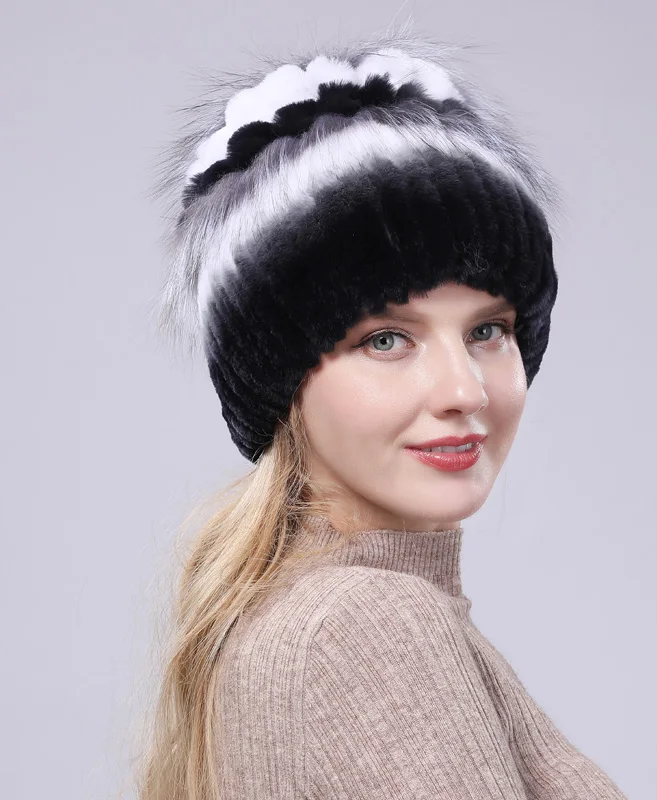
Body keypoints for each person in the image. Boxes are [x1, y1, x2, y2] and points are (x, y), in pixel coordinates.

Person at [137, 21, 629, 800]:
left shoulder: (289, 616)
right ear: (280, 379)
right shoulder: (368, 624)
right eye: (387, 338)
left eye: (489, 331)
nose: (464, 390)